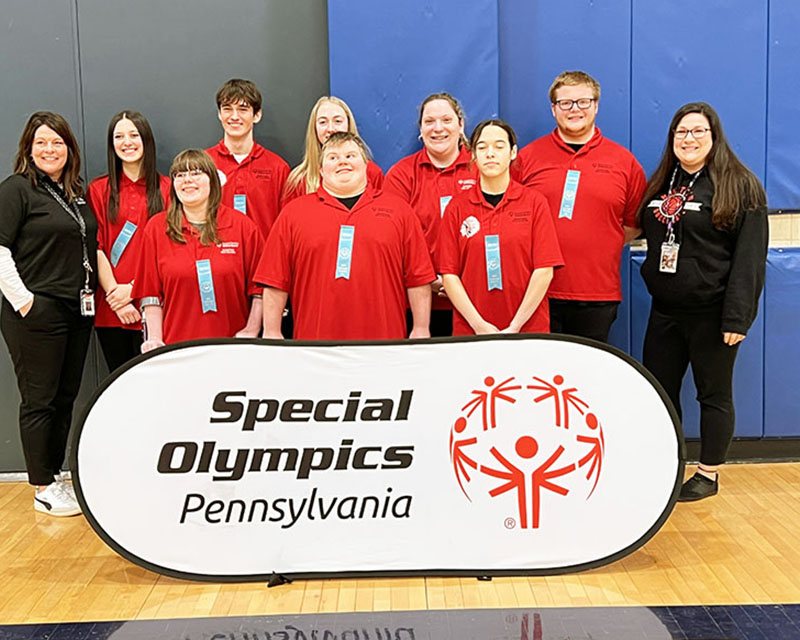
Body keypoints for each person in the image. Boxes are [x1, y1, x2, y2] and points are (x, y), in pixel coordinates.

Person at [639, 102, 768, 501]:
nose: (689, 139)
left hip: (713, 314)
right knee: (660, 392)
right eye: (681, 132)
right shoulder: (663, 182)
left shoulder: (740, 185)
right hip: (665, 311)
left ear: (714, 137)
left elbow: (750, 259)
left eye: (698, 131)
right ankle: (665, 465)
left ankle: (707, 473)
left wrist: (737, 319)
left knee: (713, 394)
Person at [0, 111, 98, 517]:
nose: (49, 149)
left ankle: (55, 476)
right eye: (41, 142)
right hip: (36, 312)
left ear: (69, 149)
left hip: (77, 310)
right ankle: (41, 486)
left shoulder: (74, 192)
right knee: (40, 400)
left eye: (57, 142)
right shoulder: (17, 190)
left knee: (64, 397)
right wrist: (25, 302)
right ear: (28, 148)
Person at [256, 132, 434, 340]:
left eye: (350, 156)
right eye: (333, 157)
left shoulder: (399, 211)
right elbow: (275, 280)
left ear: (366, 164)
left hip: (384, 344)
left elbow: (418, 277)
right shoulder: (293, 214)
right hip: (314, 345)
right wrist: (272, 331)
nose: (342, 162)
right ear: (321, 169)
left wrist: (421, 328)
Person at [515, 71, 646, 343]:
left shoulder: (624, 162)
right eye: (565, 103)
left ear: (596, 106)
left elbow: (633, 224)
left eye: (583, 101)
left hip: (597, 295)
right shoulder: (527, 158)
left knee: (588, 370)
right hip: (536, 294)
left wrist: (599, 243)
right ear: (553, 109)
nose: (574, 109)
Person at [436, 120, 563, 335]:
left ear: (512, 152)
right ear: (473, 155)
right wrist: (478, 325)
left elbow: (544, 271)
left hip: (528, 329)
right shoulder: (457, 207)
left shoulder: (534, 203)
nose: (490, 153)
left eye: (499, 146)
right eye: (482, 147)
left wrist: (515, 326)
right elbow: (449, 275)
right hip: (471, 330)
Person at [136, 150, 264, 350]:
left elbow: (261, 289)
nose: (187, 180)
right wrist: (154, 339)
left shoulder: (243, 227)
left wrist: (251, 329)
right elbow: (150, 293)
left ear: (212, 180)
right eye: (180, 175)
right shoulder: (157, 228)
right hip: (176, 348)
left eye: (196, 173)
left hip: (232, 346)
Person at [384, 92, 478, 336]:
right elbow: (391, 240)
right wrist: (429, 278)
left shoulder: (481, 169)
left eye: (446, 120)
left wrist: (457, 281)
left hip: (476, 301)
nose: (438, 128)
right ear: (421, 129)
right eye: (429, 121)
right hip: (416, 305)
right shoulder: (401, 175)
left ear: (461, 125)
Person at [87, 111, 171, 372]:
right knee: (120, 383)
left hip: (156, 306)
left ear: (146, 140)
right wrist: (118, 296)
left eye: (134, 135)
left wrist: (133, 291)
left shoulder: (168, 188)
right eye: (119, 136)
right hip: (112, 308)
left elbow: (170, 251)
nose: (127, 142)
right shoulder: (98, 189)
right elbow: (95, 246)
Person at [206, 78, 289, 238]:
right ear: (219, 114)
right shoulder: (204, 164)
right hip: (216, 251)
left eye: (242, 109)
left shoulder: (278, 168)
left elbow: (287, 225)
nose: (234, 116)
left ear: (257, 115)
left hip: (264, 253)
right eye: (227, 109)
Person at [282, 96, 383, 205]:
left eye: (337, 121)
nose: (330, 129)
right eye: (323, 122)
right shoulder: (298, 180)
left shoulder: (372, 172)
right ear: (314, 128)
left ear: (348, 124)